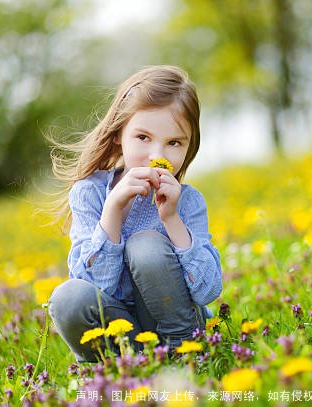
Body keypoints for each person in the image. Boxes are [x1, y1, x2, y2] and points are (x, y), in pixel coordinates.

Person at [47, 65, 222, 362]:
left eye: (174, 143)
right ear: (119, 134)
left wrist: (172, 220)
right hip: (121, 333)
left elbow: (208, 290)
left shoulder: (188, 201)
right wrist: (113, 211)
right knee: (67, 297)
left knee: (145, 244)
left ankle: (184, 355)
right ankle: (124, 367)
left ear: (189, 147)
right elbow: (92, 287)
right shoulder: (89, 193)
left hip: (176, 329)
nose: (158, 156)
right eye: (143, 137)